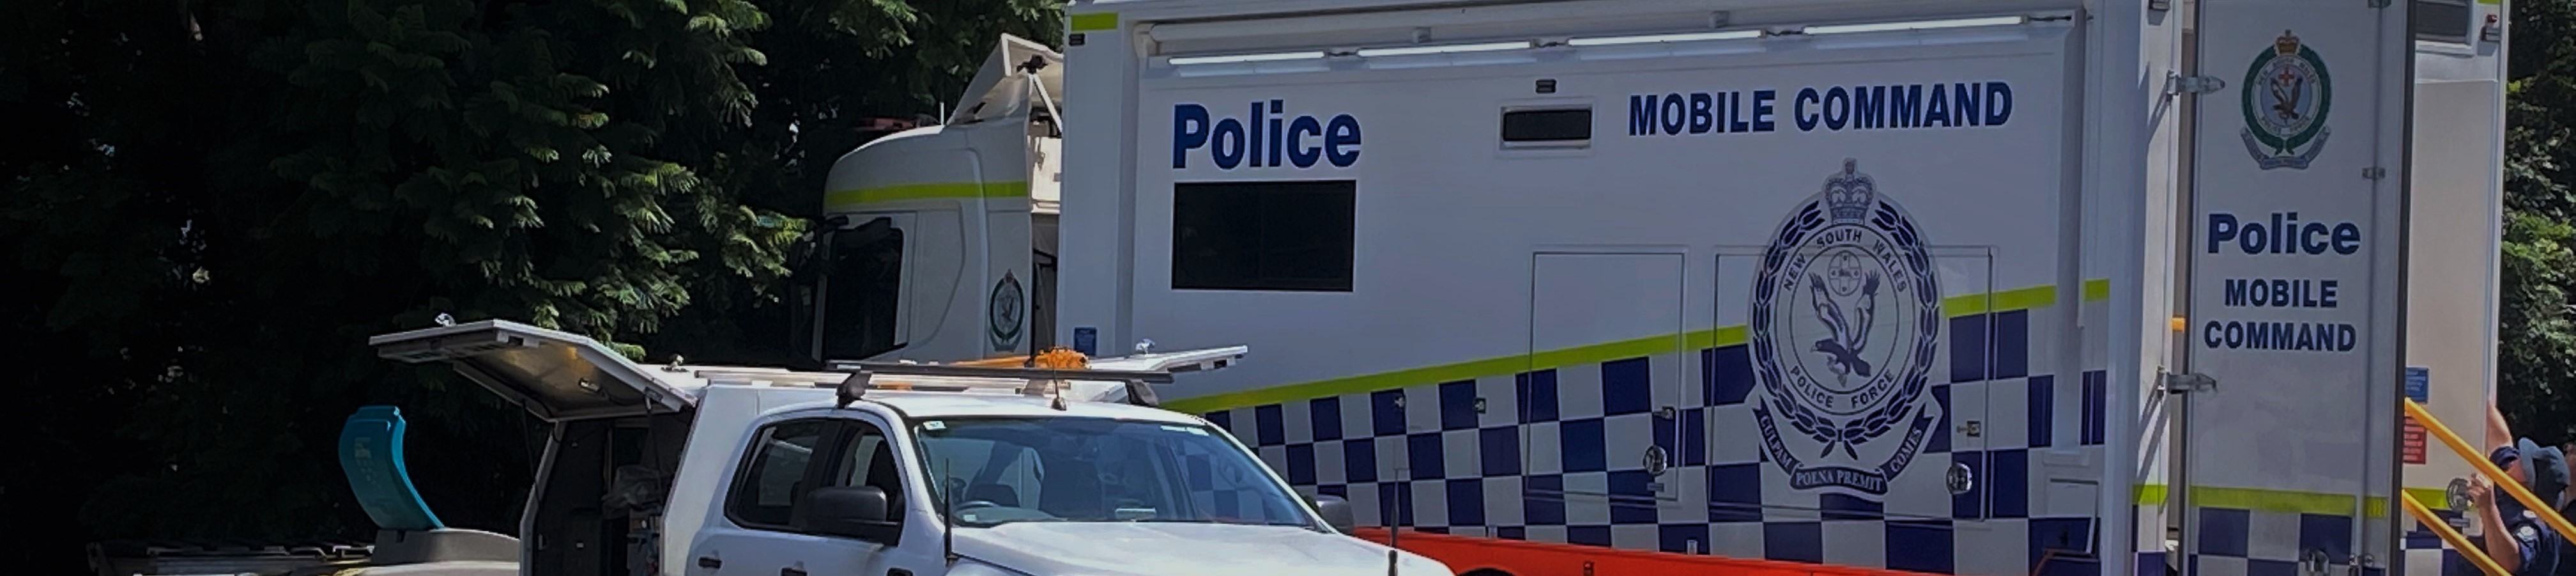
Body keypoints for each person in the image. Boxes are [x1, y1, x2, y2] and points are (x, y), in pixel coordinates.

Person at [2466, 439, 2566, 576]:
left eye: (2523, 461)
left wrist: (2488, 508)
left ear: (2528, 482)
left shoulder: (2536, 523)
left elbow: (2508, 563)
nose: (2515, 460)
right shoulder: (2509, 474)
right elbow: (2500, 440)